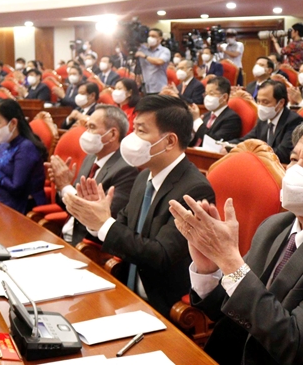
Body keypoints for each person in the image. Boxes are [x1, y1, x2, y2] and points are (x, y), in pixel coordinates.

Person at [171, 114, 303, 365]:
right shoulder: (275, 225)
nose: (295, 170)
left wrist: (230, 261)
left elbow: (294, 344)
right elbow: (236, 309)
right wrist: (210, 269)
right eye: (294, 159)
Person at [63, 95, 216, 317]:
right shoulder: (143, 176)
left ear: (169, 141)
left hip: (163, 305)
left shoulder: (194, 189)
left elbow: (161, 255)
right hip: (126, 291)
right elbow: (123, 230)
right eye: (134, 129)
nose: (132, 138)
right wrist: (96, 220)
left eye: (141, 131)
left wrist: (105, 224)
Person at [46, 105, 138, 245]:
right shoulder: (90, 158)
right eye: (87, 127)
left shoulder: (126, 170)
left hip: (87, 246)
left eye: (92, 127)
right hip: (66, 235)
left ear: (112, 134)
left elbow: (101, 221)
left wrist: (65, 187)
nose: (86, 133)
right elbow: (69, 209)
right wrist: (61, 187)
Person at [232, 80, 303, 164]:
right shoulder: (264, 119)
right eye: (258, 101)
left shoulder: (294, 122)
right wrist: (226, 145)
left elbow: (283, 154)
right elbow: (246, 140)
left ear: (281, 103)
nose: (260, 106)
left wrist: (254, 152)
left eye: (265, 102)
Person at [189, 76, 242, 147]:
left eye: (211, 94)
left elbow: (215, 142)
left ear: (224, 97)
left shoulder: (232, 119)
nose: (207, 98)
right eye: (206, 94)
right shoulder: (206, 115)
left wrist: (197, 121)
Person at [135, 28, 171, 94]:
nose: (150, 38)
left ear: (160, 39)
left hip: (159, 88)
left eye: (153, 36)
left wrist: (145, 56)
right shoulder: (143, 50)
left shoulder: (164, 51)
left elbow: (159, 62)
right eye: (149, 36)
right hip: (146, 88)